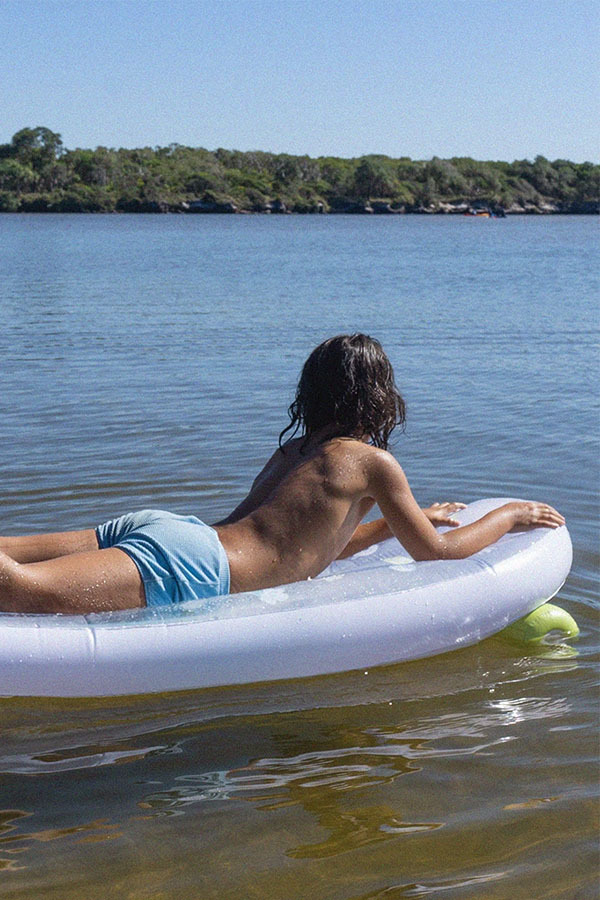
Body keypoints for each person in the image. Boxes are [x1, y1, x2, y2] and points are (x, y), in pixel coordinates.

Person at [0, 334, 564, 614]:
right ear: (380, 397)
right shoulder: (372, 463)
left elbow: (304, 546)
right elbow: (437, 553)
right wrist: (508, 514)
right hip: (197, 565)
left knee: (13, 554)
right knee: (21, 591)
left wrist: (393, 525)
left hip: (177, 533)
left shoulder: (294, 451)